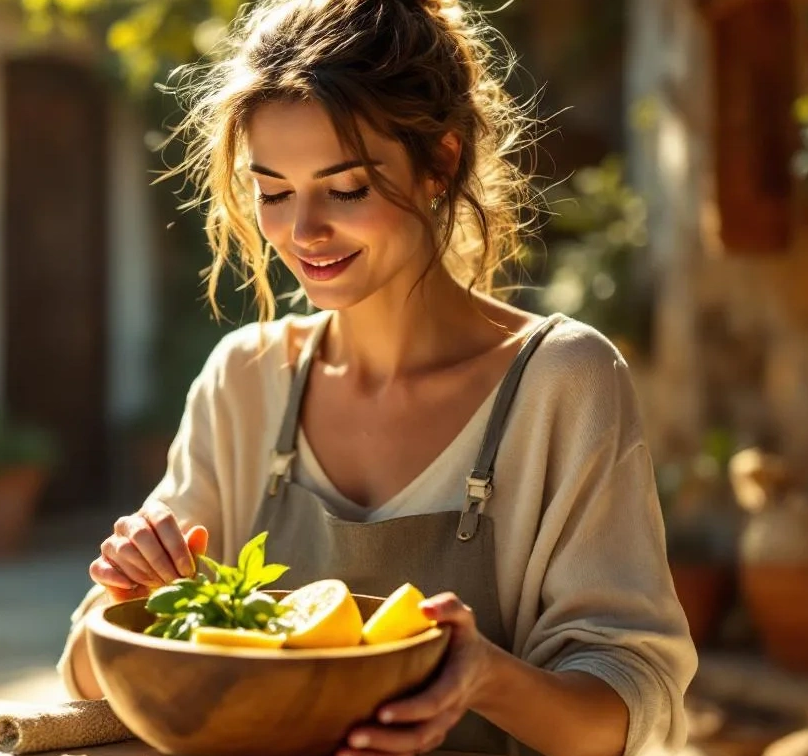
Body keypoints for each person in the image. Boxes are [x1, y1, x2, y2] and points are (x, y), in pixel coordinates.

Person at [57, 0, 697, 754]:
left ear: (442, 162)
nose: (304, 232)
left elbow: (630, 708)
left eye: (348, 188)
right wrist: (136, 597)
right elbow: (83, 674)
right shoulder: (246, 381)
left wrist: (484, 675)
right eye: (273, 192)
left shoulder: (563, 380)